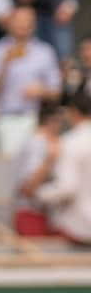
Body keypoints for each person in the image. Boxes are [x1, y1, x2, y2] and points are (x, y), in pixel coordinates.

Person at [0, 6, 62, 156]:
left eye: (28, 21)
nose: (23, 25)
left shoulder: (45, 52)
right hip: (7, 118)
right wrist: (4, 65)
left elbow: (56, 92)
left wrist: (41, 91)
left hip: (36, 119)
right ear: (10, 23)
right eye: (19, 21)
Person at [36, 91, 91, 244]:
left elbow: (67, 188)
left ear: (73, 112)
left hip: (78, 228)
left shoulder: (70, 142)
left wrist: (38, 194)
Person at [11, 98, 62, 235]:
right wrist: (49, 160)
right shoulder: (37, 144)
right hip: (31, 214)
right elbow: (28, 188)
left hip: (36, 213)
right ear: (52, 122)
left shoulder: (34, 142)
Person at [12, 0, 79, 62]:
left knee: (63, 55)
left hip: (58, 18)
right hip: (34, 20)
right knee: (36, 55)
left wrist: (68, 8)